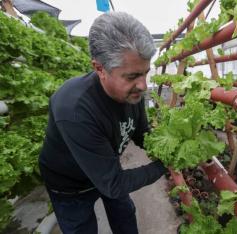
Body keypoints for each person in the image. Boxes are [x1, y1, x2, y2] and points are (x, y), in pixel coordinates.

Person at [38, 12, 167, 234]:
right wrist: (165, 165)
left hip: (106, 164)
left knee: (125, 215)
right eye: (132, 76)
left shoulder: (132, 92)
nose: (143, 85)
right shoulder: (74, 109)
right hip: (70, 186)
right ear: (100, 69)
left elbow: (141, 132)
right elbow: (114, 184)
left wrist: (171, 147)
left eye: (146, 73)